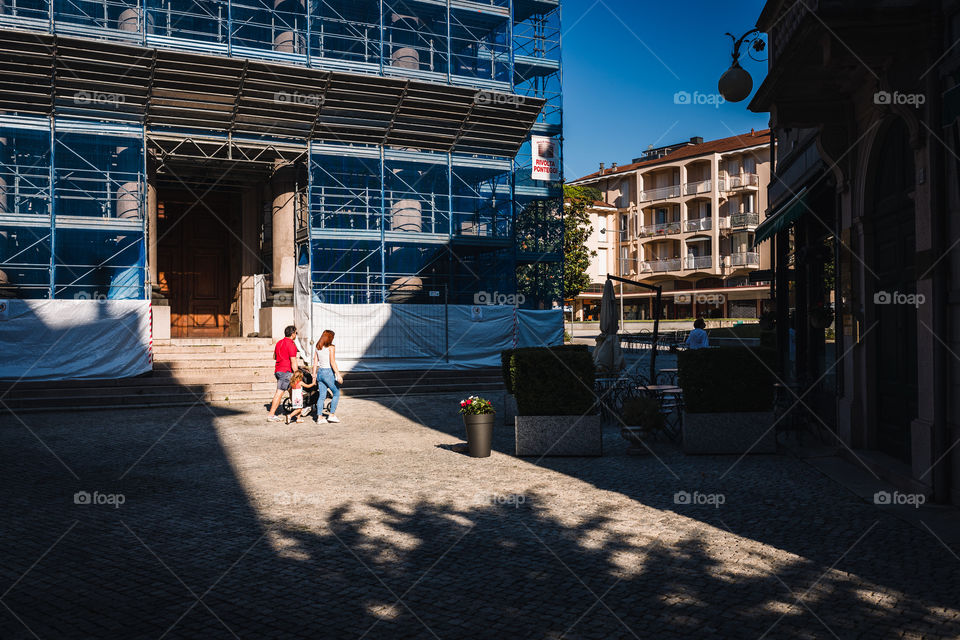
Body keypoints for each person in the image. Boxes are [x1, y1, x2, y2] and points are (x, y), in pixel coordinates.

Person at [267, 325, 299, 422]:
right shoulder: (291, 344)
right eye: (296, 333)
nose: (296, 335)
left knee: (291, 391)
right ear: (293, 334)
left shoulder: (279, 343)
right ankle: (271, 415)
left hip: (278, 370)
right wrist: (297, 374)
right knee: (279, 392)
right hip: (286, 371)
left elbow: (274, 357)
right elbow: (293, 361)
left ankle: (297, 410)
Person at [313, 329, 344, 423]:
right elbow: (332, 362)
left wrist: (314, 376)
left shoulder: (318, 347)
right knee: (336, 393)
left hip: (320, 373)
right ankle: (331, 415)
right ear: (330, 338)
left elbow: (315, 363)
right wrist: (338, 375)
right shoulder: (331, 347)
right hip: (328, 372)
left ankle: (319, 417)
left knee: (322, 396)